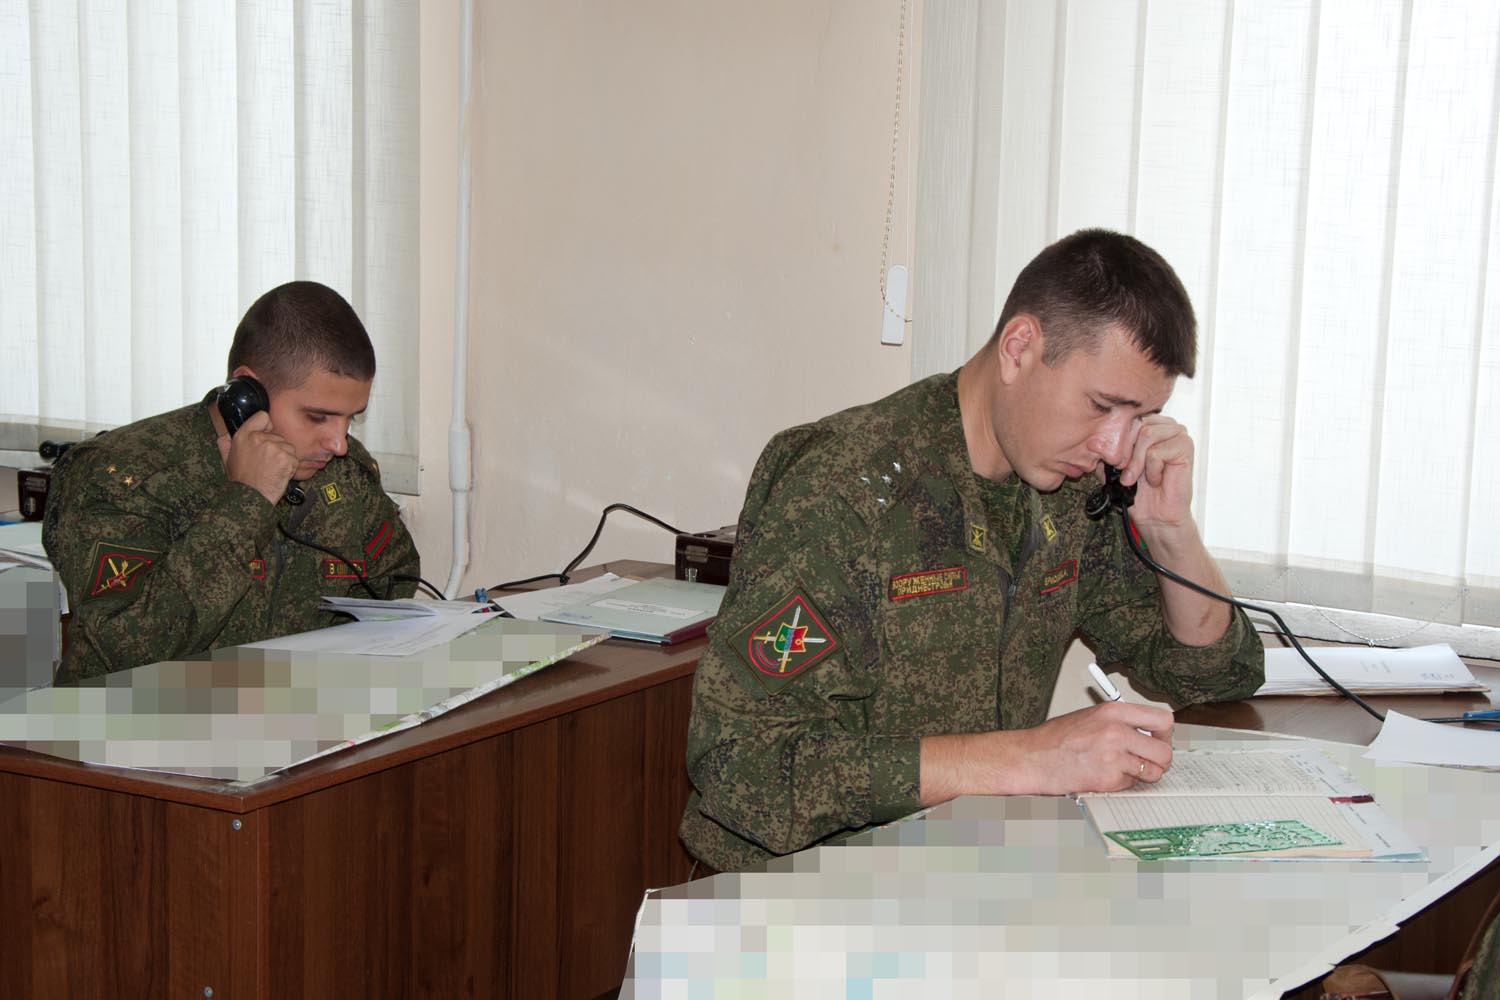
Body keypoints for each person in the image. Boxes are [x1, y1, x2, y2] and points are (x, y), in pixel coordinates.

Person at [680, 229, 1265, 872]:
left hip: (963, 871)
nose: (1114, 445)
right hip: (804, 890)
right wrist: (1033, 758)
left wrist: (1171, 532)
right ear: (1019, 349)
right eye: (1102, 406)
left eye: (1139, 418)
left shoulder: (1071, 491)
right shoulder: (845, 489)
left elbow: (1212, 676)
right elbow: (740, 763)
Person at [43, 281, 420, 682]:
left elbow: (394, 582)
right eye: (317, 416)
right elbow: (127, 650)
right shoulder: (123, 476)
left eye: (351, 418)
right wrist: (247, 501)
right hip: (134, 715)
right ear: (248, 392)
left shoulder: (344, 472)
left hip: (293, 709)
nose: (338, 443)